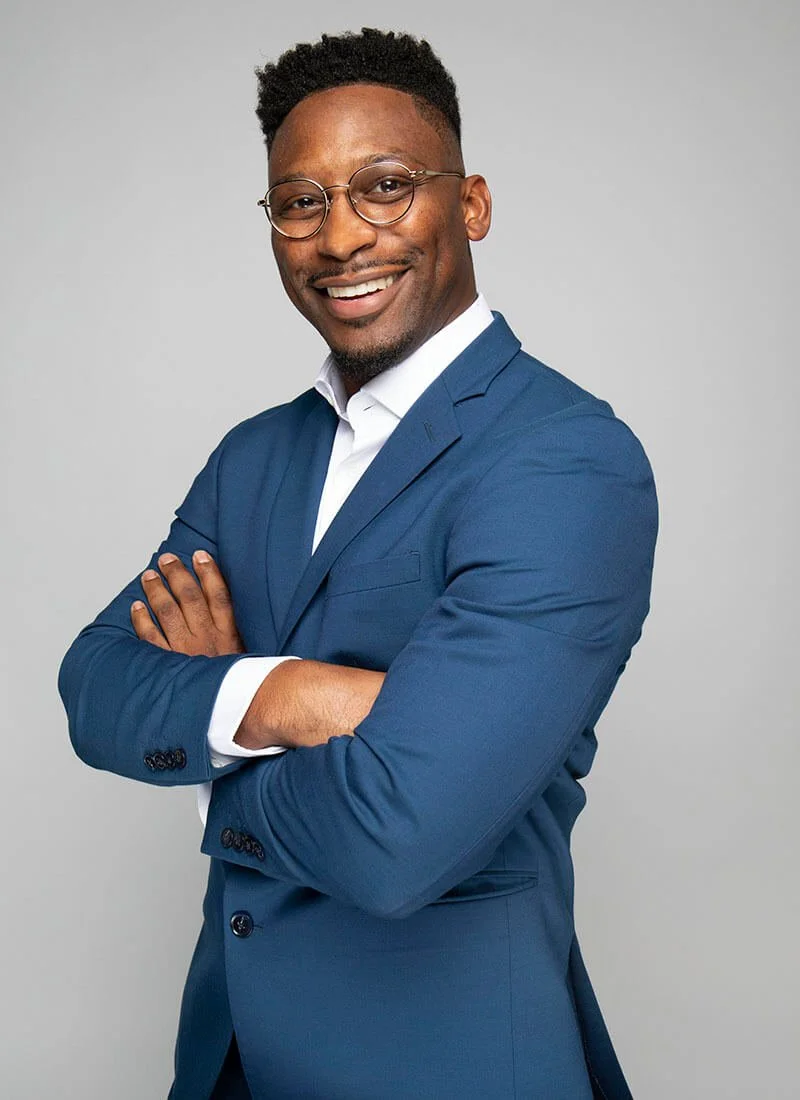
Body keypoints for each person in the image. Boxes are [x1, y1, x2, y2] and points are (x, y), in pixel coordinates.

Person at [59, 27, 657, 1100]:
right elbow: (96, 686)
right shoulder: (252, 457)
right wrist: (294, 692)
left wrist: (215, 730)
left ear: (471, 204)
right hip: (230, 1060)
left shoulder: (563, 459)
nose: (340, 237)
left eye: (384, 186)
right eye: (300, 202)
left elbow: (399, 836)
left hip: (447, 1066)